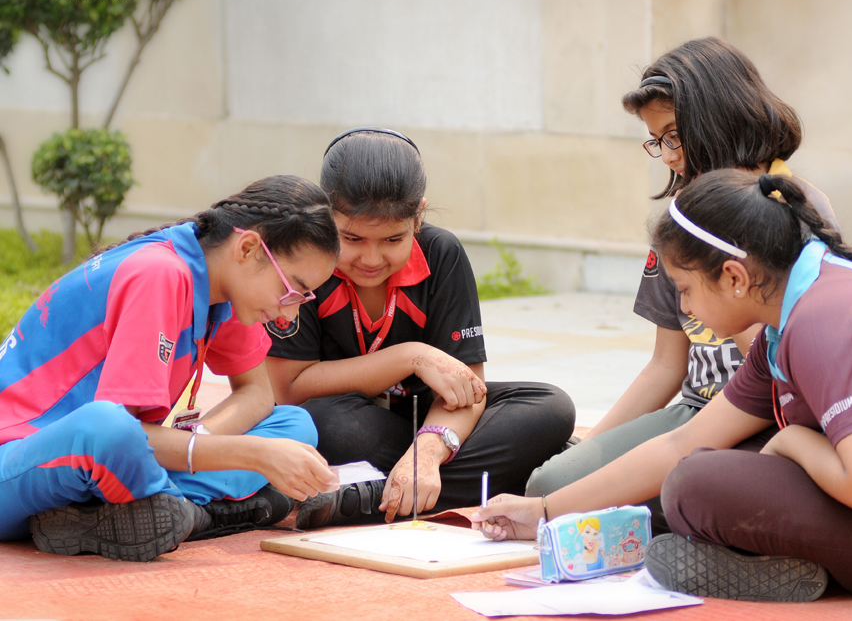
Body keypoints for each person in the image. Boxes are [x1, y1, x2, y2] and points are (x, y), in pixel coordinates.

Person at [474, 169, 852, 602]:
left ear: (734, 276)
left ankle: (806, 571)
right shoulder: (803, 305)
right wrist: (547, 512)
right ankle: (785, 562)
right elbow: (680, 442)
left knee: (698, 487)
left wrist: (793, 443)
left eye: (685, 289)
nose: (683, 308)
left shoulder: (822, 320)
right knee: (700, 472)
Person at [525, 36, 839, 532]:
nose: (667, 156)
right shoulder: (682, 220)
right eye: (657, 141)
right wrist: (585, 451)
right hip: (697, 408)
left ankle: (725, 529)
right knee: (551, 486)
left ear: (719, 119)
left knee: (689, 489)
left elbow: (792, 366)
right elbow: (665, 364)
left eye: (675, 136)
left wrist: (726, 281)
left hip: (775, 416)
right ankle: (712, 527)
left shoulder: (797, 208)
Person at [0, 175, 343, 562]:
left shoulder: (226, 284)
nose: (290, 311)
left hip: (109, 464)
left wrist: (205, 443)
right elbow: (121, 436)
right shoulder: (160, 273)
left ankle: (134, 514)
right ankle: (193, 515)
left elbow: (258, 394)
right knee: (105, 427)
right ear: (247, 248)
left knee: (293, 427)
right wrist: (251, 455)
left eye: (304, 297)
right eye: (292, 289)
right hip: (18, 462)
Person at [265, 128, 575, 528]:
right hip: (355, 425)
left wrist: (427, 450)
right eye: (352, 238)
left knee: (548, 405)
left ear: (419, 216)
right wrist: (411, 356)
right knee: (318, 421)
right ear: (325, 216)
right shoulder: (304, 260)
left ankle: (377, 496)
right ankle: (504, 472)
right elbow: (289, 388)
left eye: (393, 238)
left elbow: (468, 388)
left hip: (432, 418)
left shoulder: (441, 253)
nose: (371, 258)